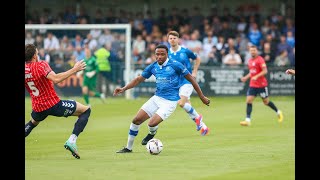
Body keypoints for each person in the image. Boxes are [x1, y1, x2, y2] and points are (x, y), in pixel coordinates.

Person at [114, 44, 210, 153]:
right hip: (156, 98)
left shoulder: (175, 65)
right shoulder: (153, 66)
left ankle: (152, 133)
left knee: (151, 123)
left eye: (162, 54)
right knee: (136, 120)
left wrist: (201, 96)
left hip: (170, 102)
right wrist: (123, 88)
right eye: (157, 54)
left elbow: (192, 80)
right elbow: (138, 80)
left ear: (167, 54)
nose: (159, 56)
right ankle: (128, 148)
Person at [25, 44, 90, 159]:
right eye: (37, 53)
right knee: (86, 110)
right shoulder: (41, 65)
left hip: (38, 107)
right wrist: (75, 69)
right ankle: (72, 141)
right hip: (53, 105)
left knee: (32, 124)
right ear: (34, 55)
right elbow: (56, 79)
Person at [167, 30, 210, 135]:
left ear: (178, 39)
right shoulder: (167, 53)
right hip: (177, 82)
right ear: (168, 40)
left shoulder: (185, 51)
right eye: (170, 38)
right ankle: (203, 127)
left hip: (187, 80)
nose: (172, 40)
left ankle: (199, 118)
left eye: (174, 38)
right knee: (188, 107)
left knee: (181, 103)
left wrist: (194, 71)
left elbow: (197, 58)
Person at [240, 45, 283, 126]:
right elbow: (252, 72)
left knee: (266, 102)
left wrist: (257, 76)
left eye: (254, 50)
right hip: (253, 84)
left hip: (262, 85)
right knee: (249, 100)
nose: (253, 52)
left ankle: (278, 112)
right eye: (251, 50)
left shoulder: (260, 60)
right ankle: (247, 120)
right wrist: (246, 77)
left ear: (257, 51)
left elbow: (265, 71)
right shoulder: (249, 61)